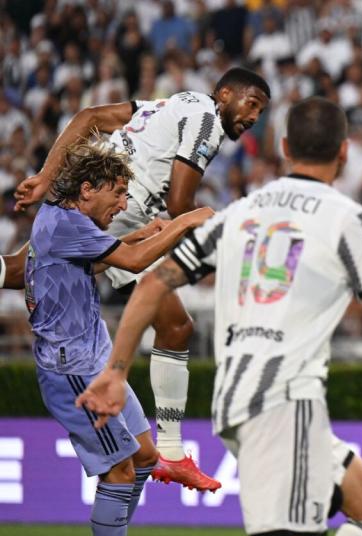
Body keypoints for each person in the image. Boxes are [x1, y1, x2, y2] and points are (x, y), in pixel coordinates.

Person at [77, 97, 362, 536]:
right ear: (344, 154)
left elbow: (154, 282)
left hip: (239, 397)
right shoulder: (352, 221)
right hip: (284, 399)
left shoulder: (241, 212)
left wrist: (115, 370)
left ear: (284, 148)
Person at [14, 67, 271, 492]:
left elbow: (88, 117)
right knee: (23, 272)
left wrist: (45, 176)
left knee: (172, 323)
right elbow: (180, 202)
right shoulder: (206, 120)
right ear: (225, 94)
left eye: (261, 111)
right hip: (117, 209)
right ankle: (170, 451)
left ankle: (170, 452)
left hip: (109, 205)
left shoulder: (174, 104)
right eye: (251, 104)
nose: (254, 117)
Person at [25, 139, 213, 536]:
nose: (125, 204)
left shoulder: (65, 221)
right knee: (120, 474)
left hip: (94, 359)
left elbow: (102, 260)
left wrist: (147, 232)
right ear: (87, 189)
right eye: (119, 193)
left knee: (147, 458)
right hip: (75, 372)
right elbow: (131, 265)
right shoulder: (65, 222)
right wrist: (180, 224)